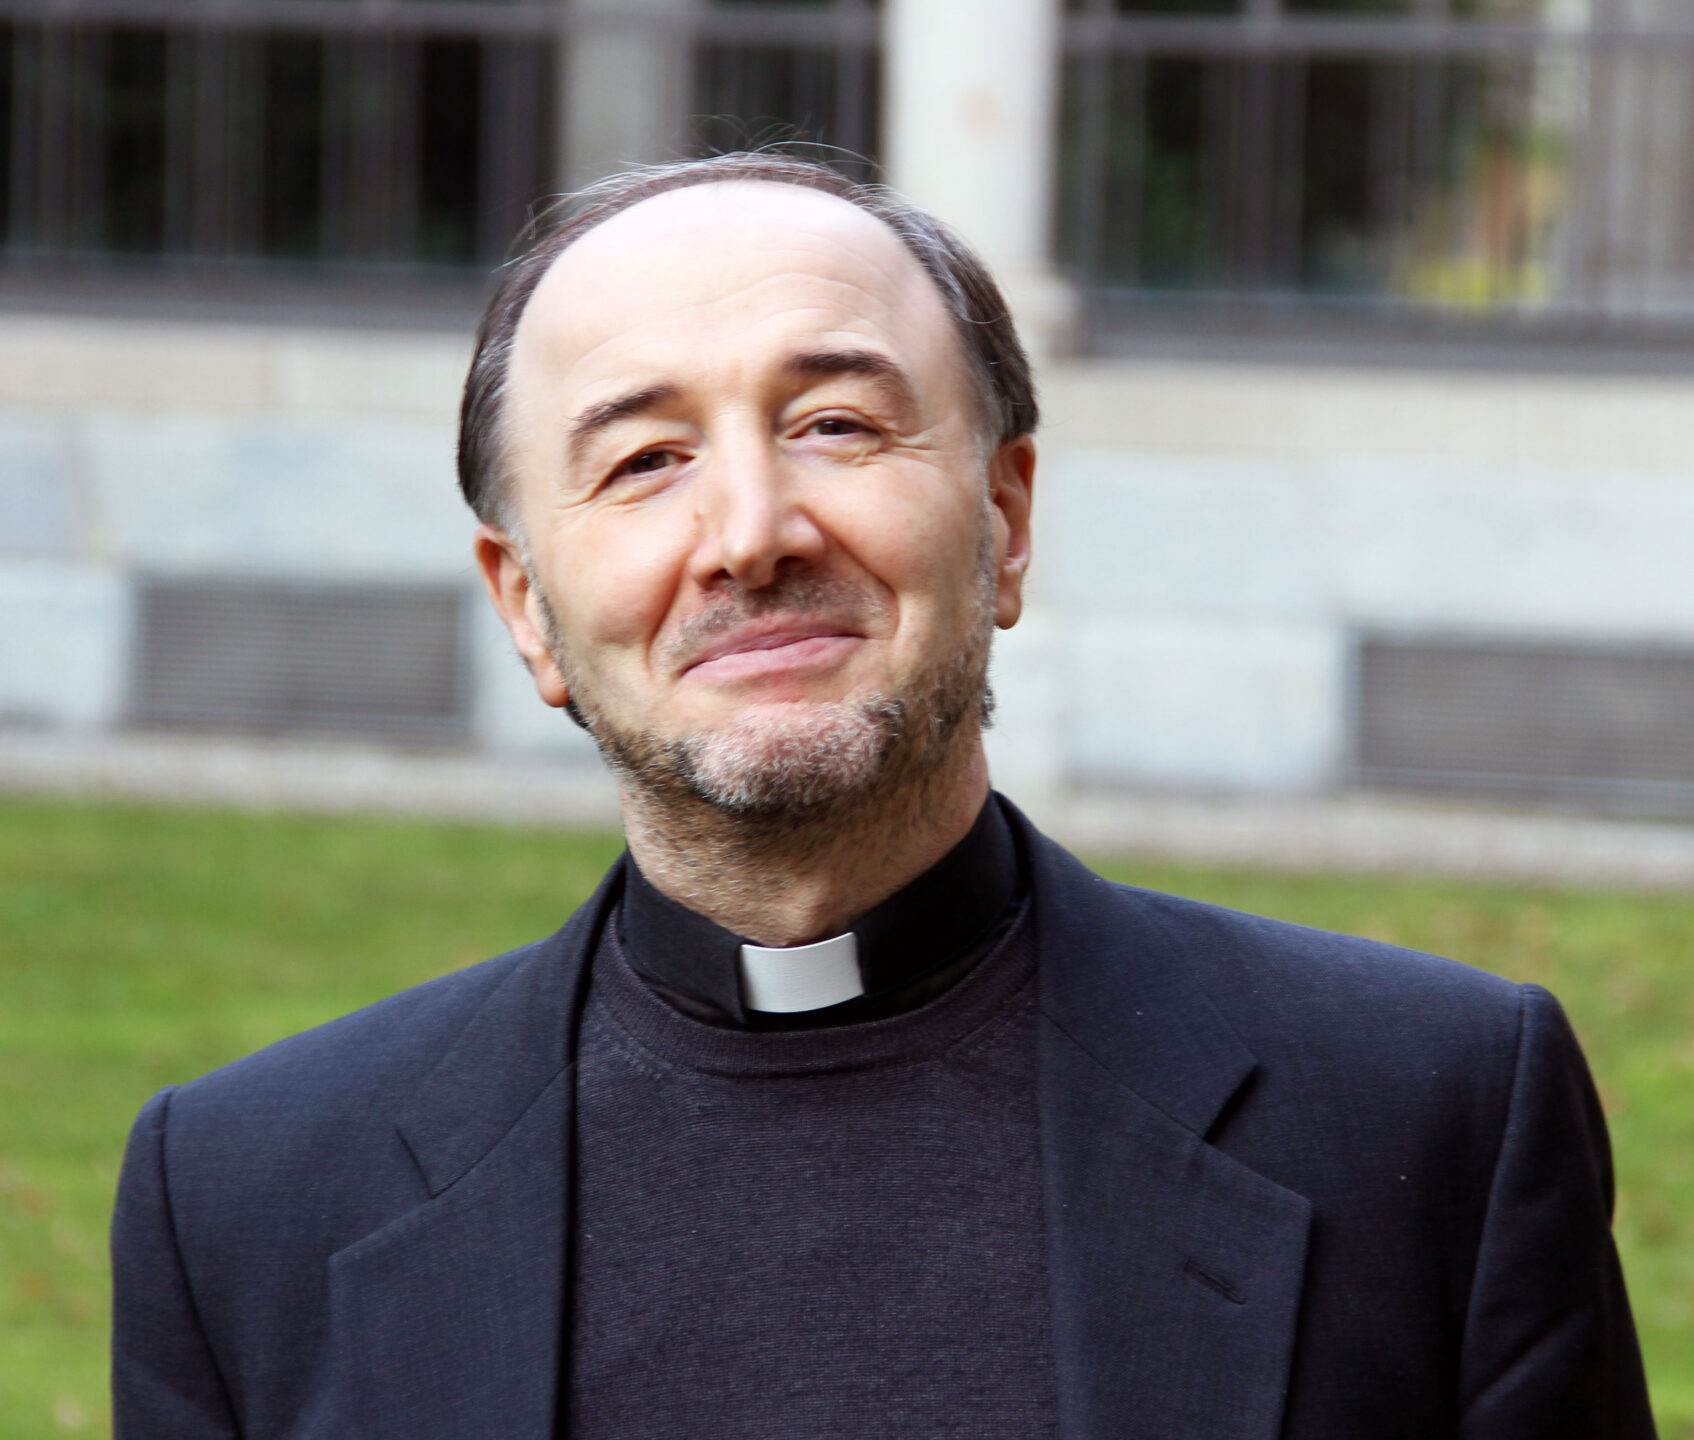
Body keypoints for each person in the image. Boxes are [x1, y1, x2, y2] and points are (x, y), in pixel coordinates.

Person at [110, 151, 1654, 1440]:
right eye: (643, 460)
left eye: (835, 424)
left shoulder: (1426, 1112)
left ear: (1004, 518)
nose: (750, 532)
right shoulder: (247, 1203)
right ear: (526, 609)